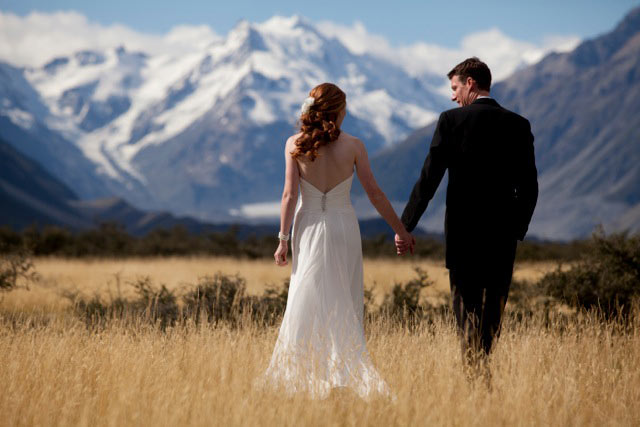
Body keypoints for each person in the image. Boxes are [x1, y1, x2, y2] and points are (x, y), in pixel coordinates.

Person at [261, 82, 412, 399]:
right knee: (343, 294)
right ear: (340, 110)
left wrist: (282, 239)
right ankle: (340, 375)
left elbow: (289, 195)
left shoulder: (294, 143)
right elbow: (374, 192)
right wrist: (399, 229)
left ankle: (304, 374)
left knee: (307, 293)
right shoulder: (355, 145)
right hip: (344, 226)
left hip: (308, 226)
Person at [396, 57, 538, 375]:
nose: (452, 95)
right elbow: (530, 186)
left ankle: (473, 368)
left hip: (462, 233)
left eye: (455, 87)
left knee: (466, 302)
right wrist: (517, 228)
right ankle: (482, 363)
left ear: (470, 84)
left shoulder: (451, 121)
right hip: (503, 233)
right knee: (495, 303)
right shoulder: (518, 124)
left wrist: (404, 226)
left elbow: (428, 180)